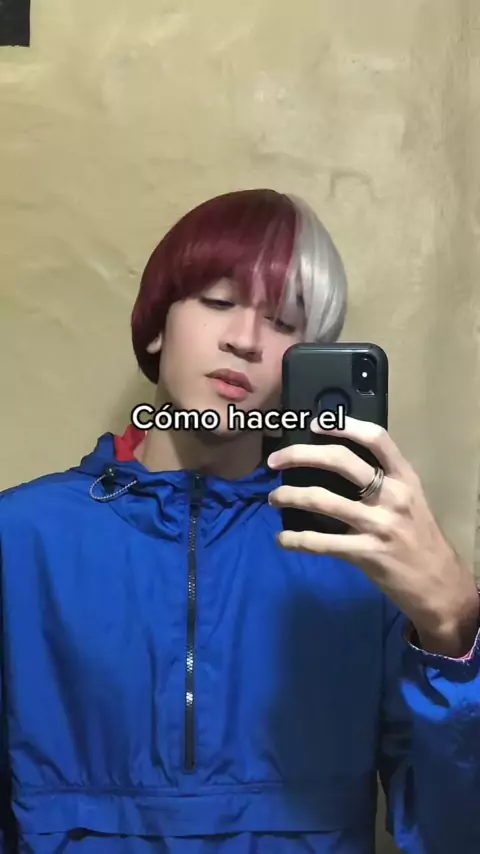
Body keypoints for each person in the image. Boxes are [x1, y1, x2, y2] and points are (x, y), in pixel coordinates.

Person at [0, 188, 478, 854]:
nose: (246, 340)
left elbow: (455, 833)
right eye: (219, 301)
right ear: (158, 324)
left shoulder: (360, 550)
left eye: (283, 321)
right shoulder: (21, 538)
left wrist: (454, 632)